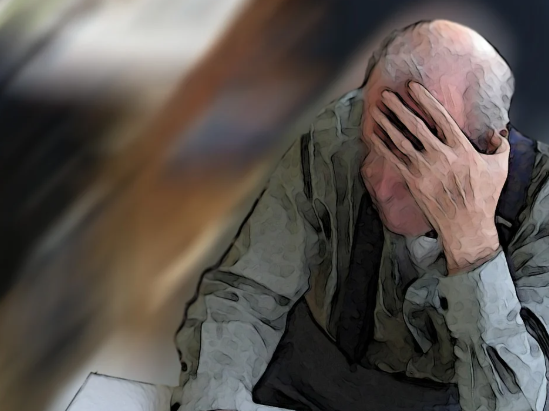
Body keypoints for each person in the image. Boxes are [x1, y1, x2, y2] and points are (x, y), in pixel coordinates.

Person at [171, 20, 549, 411]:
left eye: (413, 158)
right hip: (307, 386)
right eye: (371, 145)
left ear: (487, 150)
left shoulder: (541, 205)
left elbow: (518, 404)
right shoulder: (338, 134)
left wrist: (473, 246)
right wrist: (216, 399)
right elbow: (248, 293)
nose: (379, 183)